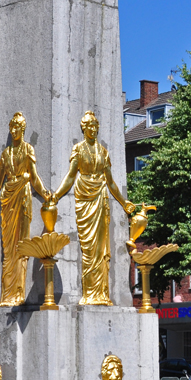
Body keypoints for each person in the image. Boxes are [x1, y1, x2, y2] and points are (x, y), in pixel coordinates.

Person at [53, 111, 137, 305]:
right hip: (84, 200)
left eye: (95, 126)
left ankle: (100, 294)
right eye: (89, 126)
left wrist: (124, 202)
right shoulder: (78, 149)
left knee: (100, 248)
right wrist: (56, 195)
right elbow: (70, 177)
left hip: (100, 199)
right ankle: (89, 293)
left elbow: (111, 182)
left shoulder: (103, 152)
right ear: (83, 128)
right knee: (88, 247)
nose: (93, 129)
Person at [0, 112, 51, 307]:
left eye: (17, 127)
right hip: (7, 199)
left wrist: (44, 194)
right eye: (12, 127)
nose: (14, 130)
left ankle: (19, 293)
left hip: (23, 197)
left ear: (23, 129)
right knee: (8, 248)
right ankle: (7, 295)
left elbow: (34, 178)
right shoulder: (6, 153)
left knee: (22, 244)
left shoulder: (27, 149)